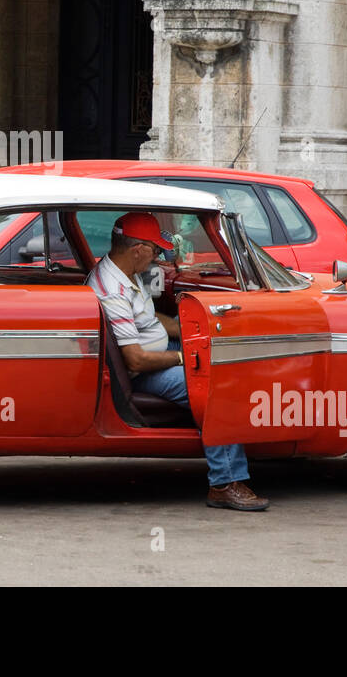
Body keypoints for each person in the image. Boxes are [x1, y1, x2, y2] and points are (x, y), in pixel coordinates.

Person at [85, 212, 269, 512]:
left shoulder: (124, 272)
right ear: (138, 249)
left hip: (154, 350)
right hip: (144, 370)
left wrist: (191, 330)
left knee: (220, 359)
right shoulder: (112, 290)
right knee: (215, 390)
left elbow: (147, 320)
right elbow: (137, 359)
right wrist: (187, 358)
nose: (158, 258)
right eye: (156, 251)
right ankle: (225, 483)